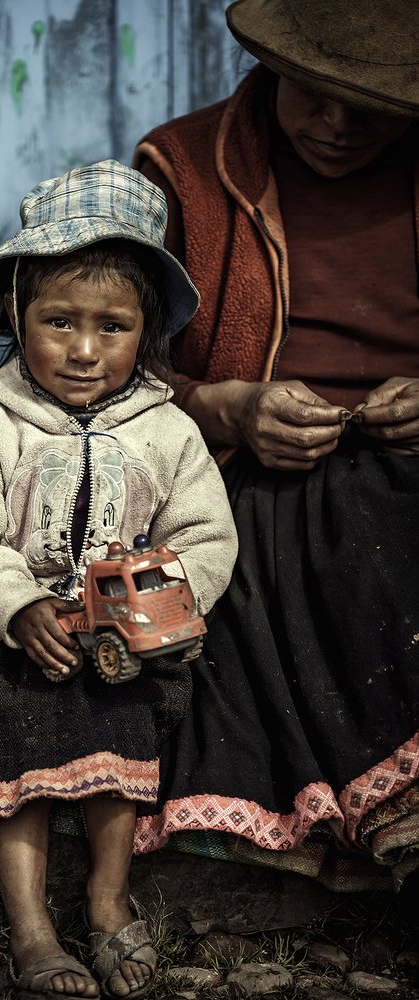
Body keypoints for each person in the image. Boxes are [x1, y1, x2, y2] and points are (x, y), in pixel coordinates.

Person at [0, 161, 238, 999]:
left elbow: (206, 535)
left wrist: (160, 604)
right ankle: (30, 928)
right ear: (17, 315)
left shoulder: (168, 433)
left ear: (150, 331)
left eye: (112, 326)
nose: (85, 350)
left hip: (116, 649)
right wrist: (15, 600)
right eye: (59, 321)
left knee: (118, 744)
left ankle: (106, 900)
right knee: (13, 762)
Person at [132, 0, 419, 889]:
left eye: (369, 105)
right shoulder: (182, 171)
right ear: (273, 69)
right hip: (252, 480)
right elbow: (95, 371)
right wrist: (224, 407)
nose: (338, 126)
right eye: (316, 96)